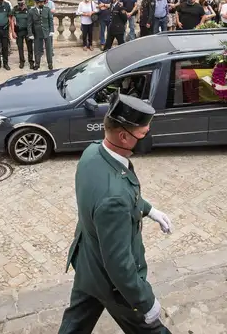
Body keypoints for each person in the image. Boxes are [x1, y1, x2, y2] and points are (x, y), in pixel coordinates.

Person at [56, 93, 173, 334]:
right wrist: (145, 301)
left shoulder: (93, 152)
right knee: (150, 329)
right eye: (143, 133)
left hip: (88, 261)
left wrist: (148, 209)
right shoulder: (115, 197)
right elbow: (119, 265)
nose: (147, 136)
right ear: (123, 136)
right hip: (114, 284)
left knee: (76, 323)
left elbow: (106, 196)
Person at [27, 0, 55, 70]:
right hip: (37, 33)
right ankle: (37, 63)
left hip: (47, 32)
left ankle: (50, 63)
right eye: (39, 3)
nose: (41, 4)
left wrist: (52, 30)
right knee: (37, 49)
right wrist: (30, 33)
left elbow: (50, 21)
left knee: (49, 49)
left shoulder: (47, 10)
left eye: (42, 2)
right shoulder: (31, 11)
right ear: (36, 3)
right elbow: (29, 24)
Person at [10, 0, 34, 69]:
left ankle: (31, 62)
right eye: (19, 1)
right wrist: (13, 32)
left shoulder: (29, 8)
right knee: (20, 47)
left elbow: (32, 20)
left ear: (24, 0)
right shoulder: (15, 9)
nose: (20, 2)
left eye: (21, 0)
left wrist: (32, 32)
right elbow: (11, 20)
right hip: (19, 31)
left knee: (30, 47)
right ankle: (22, 62)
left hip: (28, 31)